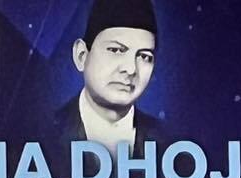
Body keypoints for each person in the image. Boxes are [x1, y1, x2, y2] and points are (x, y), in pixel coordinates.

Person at [51, 0, 165, 155]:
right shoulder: (39, 134)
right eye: (116, 50)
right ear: (81, 55)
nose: (131, 69)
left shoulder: (172, 145)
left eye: (144, 56)